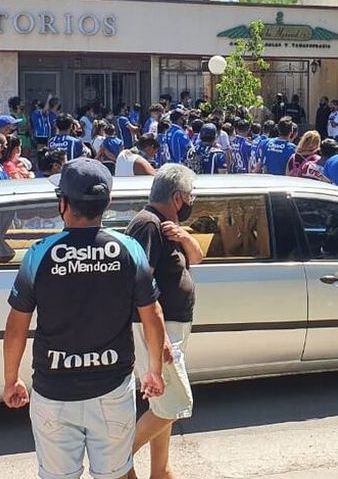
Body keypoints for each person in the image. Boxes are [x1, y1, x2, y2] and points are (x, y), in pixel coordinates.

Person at [3, 158, 167, 479]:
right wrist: (154, 371)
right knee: (118, 474)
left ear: (63, 203)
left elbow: (16, 326)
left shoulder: (39, 253)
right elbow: (153, 315)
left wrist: (11, 379)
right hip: (112, 390)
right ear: (106, 204)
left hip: (54, 392)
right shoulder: (129, 249)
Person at [124, 165, 202, 479]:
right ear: (178, 197)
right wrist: (159, 338)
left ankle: (161, 471)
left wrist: (184, 236)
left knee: (163, 404)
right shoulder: (147, 225)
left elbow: (196, 259)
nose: (192, 201)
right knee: (176, 403)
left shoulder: (167, 225)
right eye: (191, 196)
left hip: (171, 326)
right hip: (158, 328)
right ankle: (114, 463)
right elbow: (140, 285)